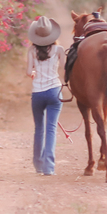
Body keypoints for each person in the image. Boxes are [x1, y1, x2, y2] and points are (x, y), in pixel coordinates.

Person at [26, 16, 66, 176]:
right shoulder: (59, 50)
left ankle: (38, 164)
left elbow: (29, 72)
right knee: (51, 129)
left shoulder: (31, 50)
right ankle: (49, 167)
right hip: (54, 92)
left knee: (39, 129)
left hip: (38, 93)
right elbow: (66, 68)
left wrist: (35, 73)